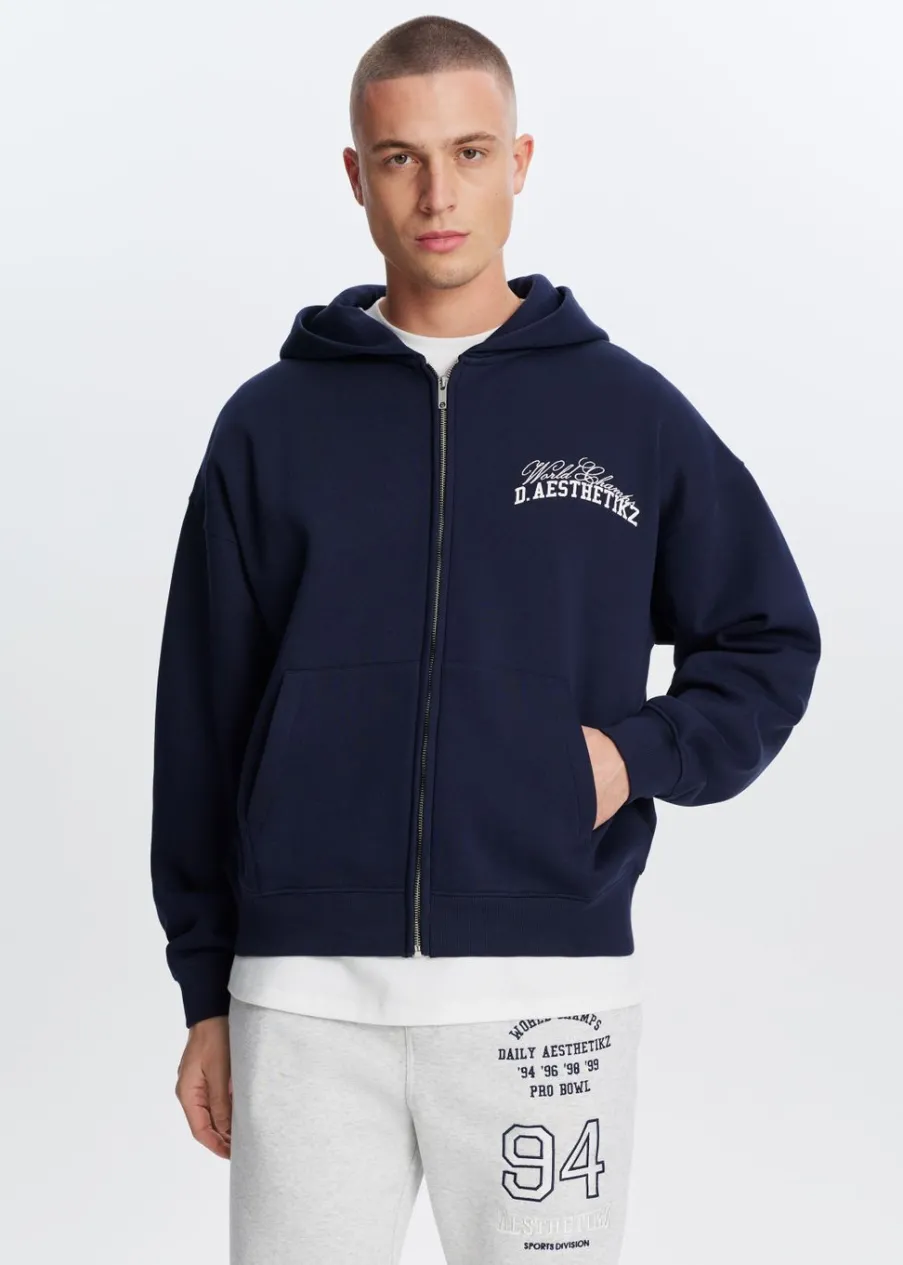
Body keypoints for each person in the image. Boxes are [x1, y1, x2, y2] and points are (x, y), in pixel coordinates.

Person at [150, 15, 821, 1264]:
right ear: (355, 174)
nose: (437, 194)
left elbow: (768, 638)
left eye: (468, 152)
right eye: (399, 158)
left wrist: (624, 759)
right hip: (302, 1002)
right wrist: (205, 991)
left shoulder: (627, 413)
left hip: (547, 1003)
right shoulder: (269, 426)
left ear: (520, 160)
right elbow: (201, 713)